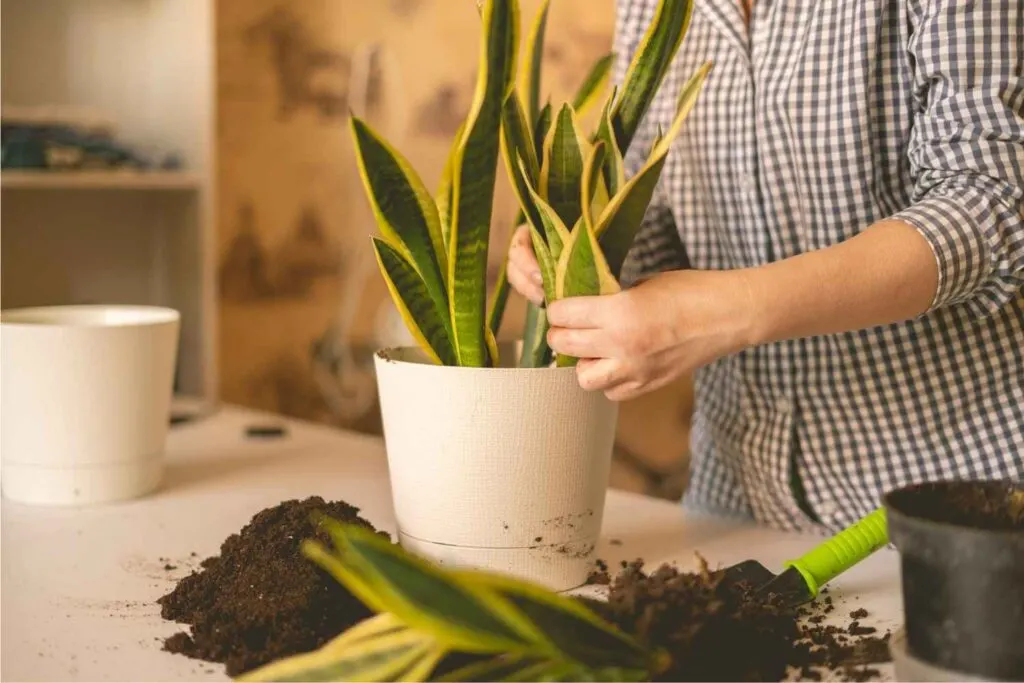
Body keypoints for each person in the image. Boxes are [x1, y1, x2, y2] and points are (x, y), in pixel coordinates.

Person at [506, 0, 1024, 532]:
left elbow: (986, 206)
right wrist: (573, 248)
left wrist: (715, 314)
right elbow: (651, 203)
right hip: (735, 495)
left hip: (954, 501)